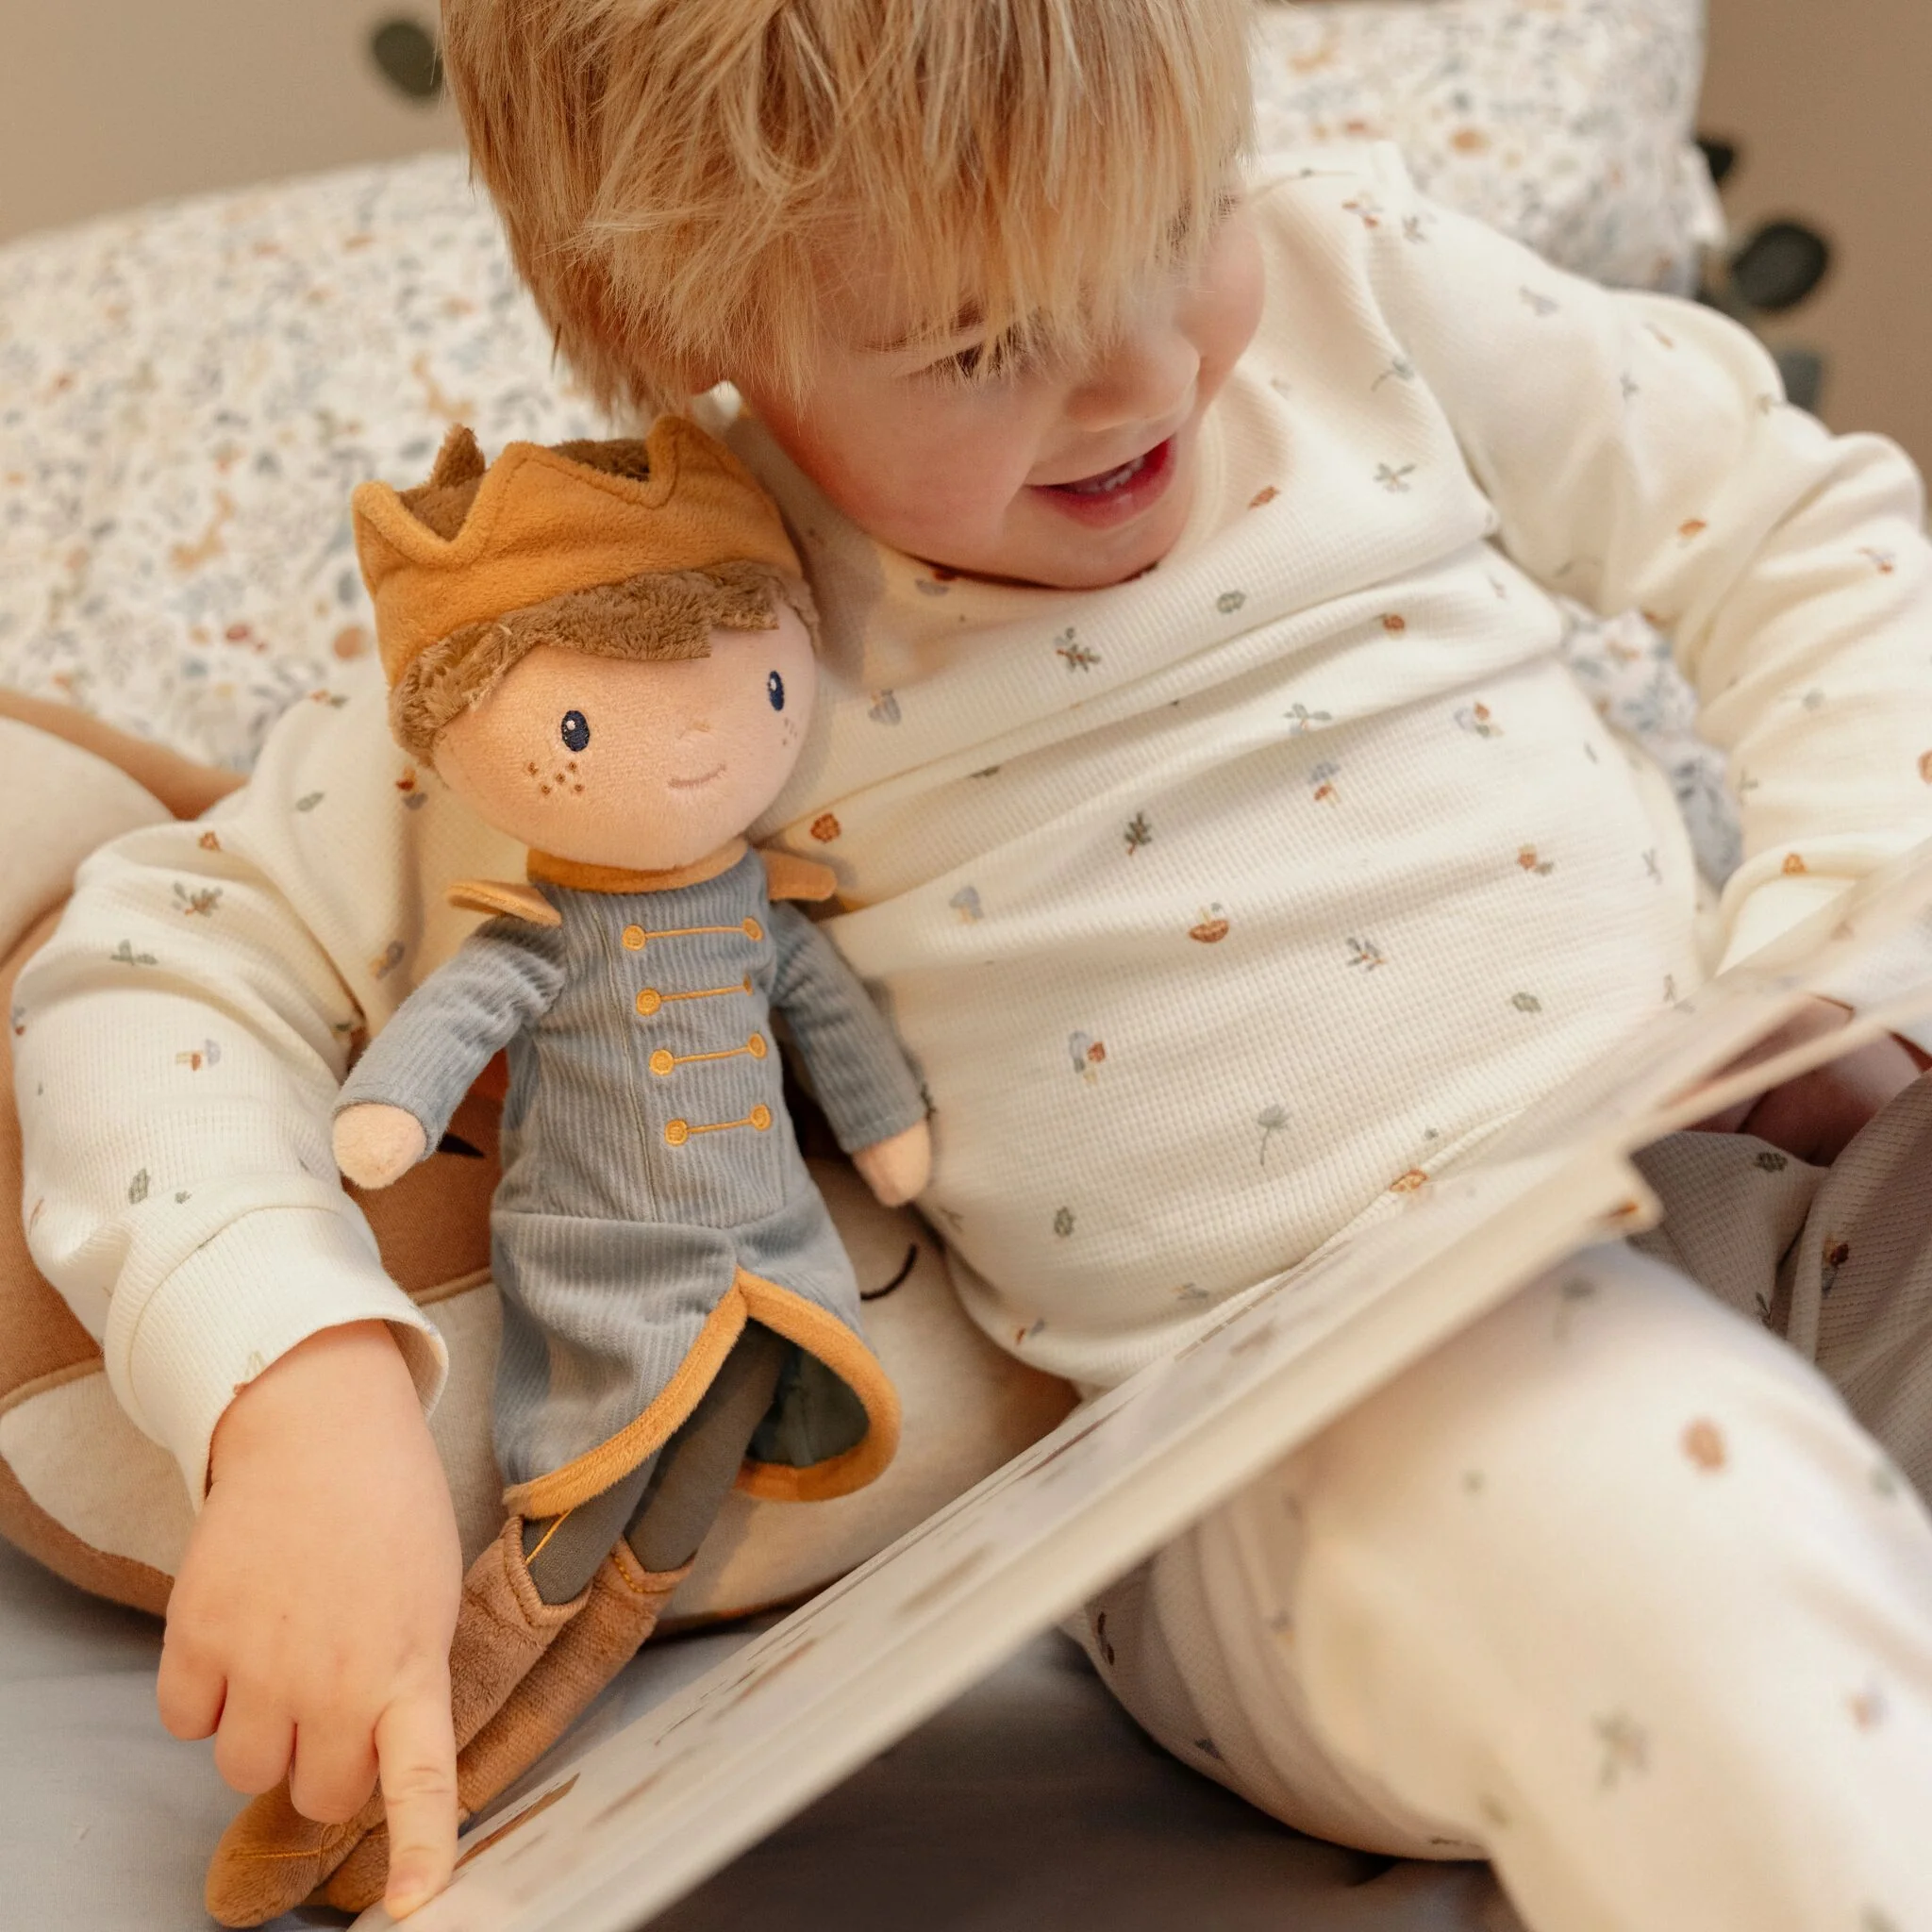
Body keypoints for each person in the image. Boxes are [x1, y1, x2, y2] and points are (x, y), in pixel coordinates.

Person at [13, 1, 1932, 1924]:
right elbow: (165, 960)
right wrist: (294, 1391)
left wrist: (1828, 944)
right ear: (687, 319)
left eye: (1180, 218)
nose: (1143, 372)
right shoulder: (661, 628)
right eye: (982, 342)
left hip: (1748, 1200)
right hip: (1297, 1459)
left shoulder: (1361, 282)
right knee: (1664, 1505)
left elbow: (1800, 533)